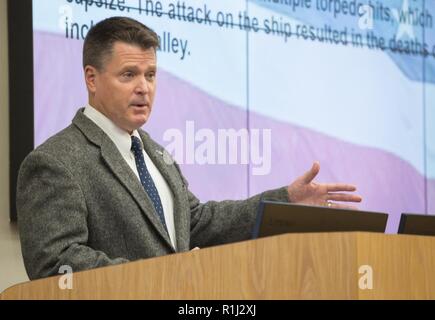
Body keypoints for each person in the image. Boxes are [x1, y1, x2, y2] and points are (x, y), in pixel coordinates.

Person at [17, 17, 362, 280]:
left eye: (150, 75)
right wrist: (166, 273)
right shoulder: (55, 161)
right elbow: (56, 261)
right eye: (129, 75)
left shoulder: (152, 152)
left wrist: (284, 200)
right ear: (91, 79)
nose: (144, 88)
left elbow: (195, 223)